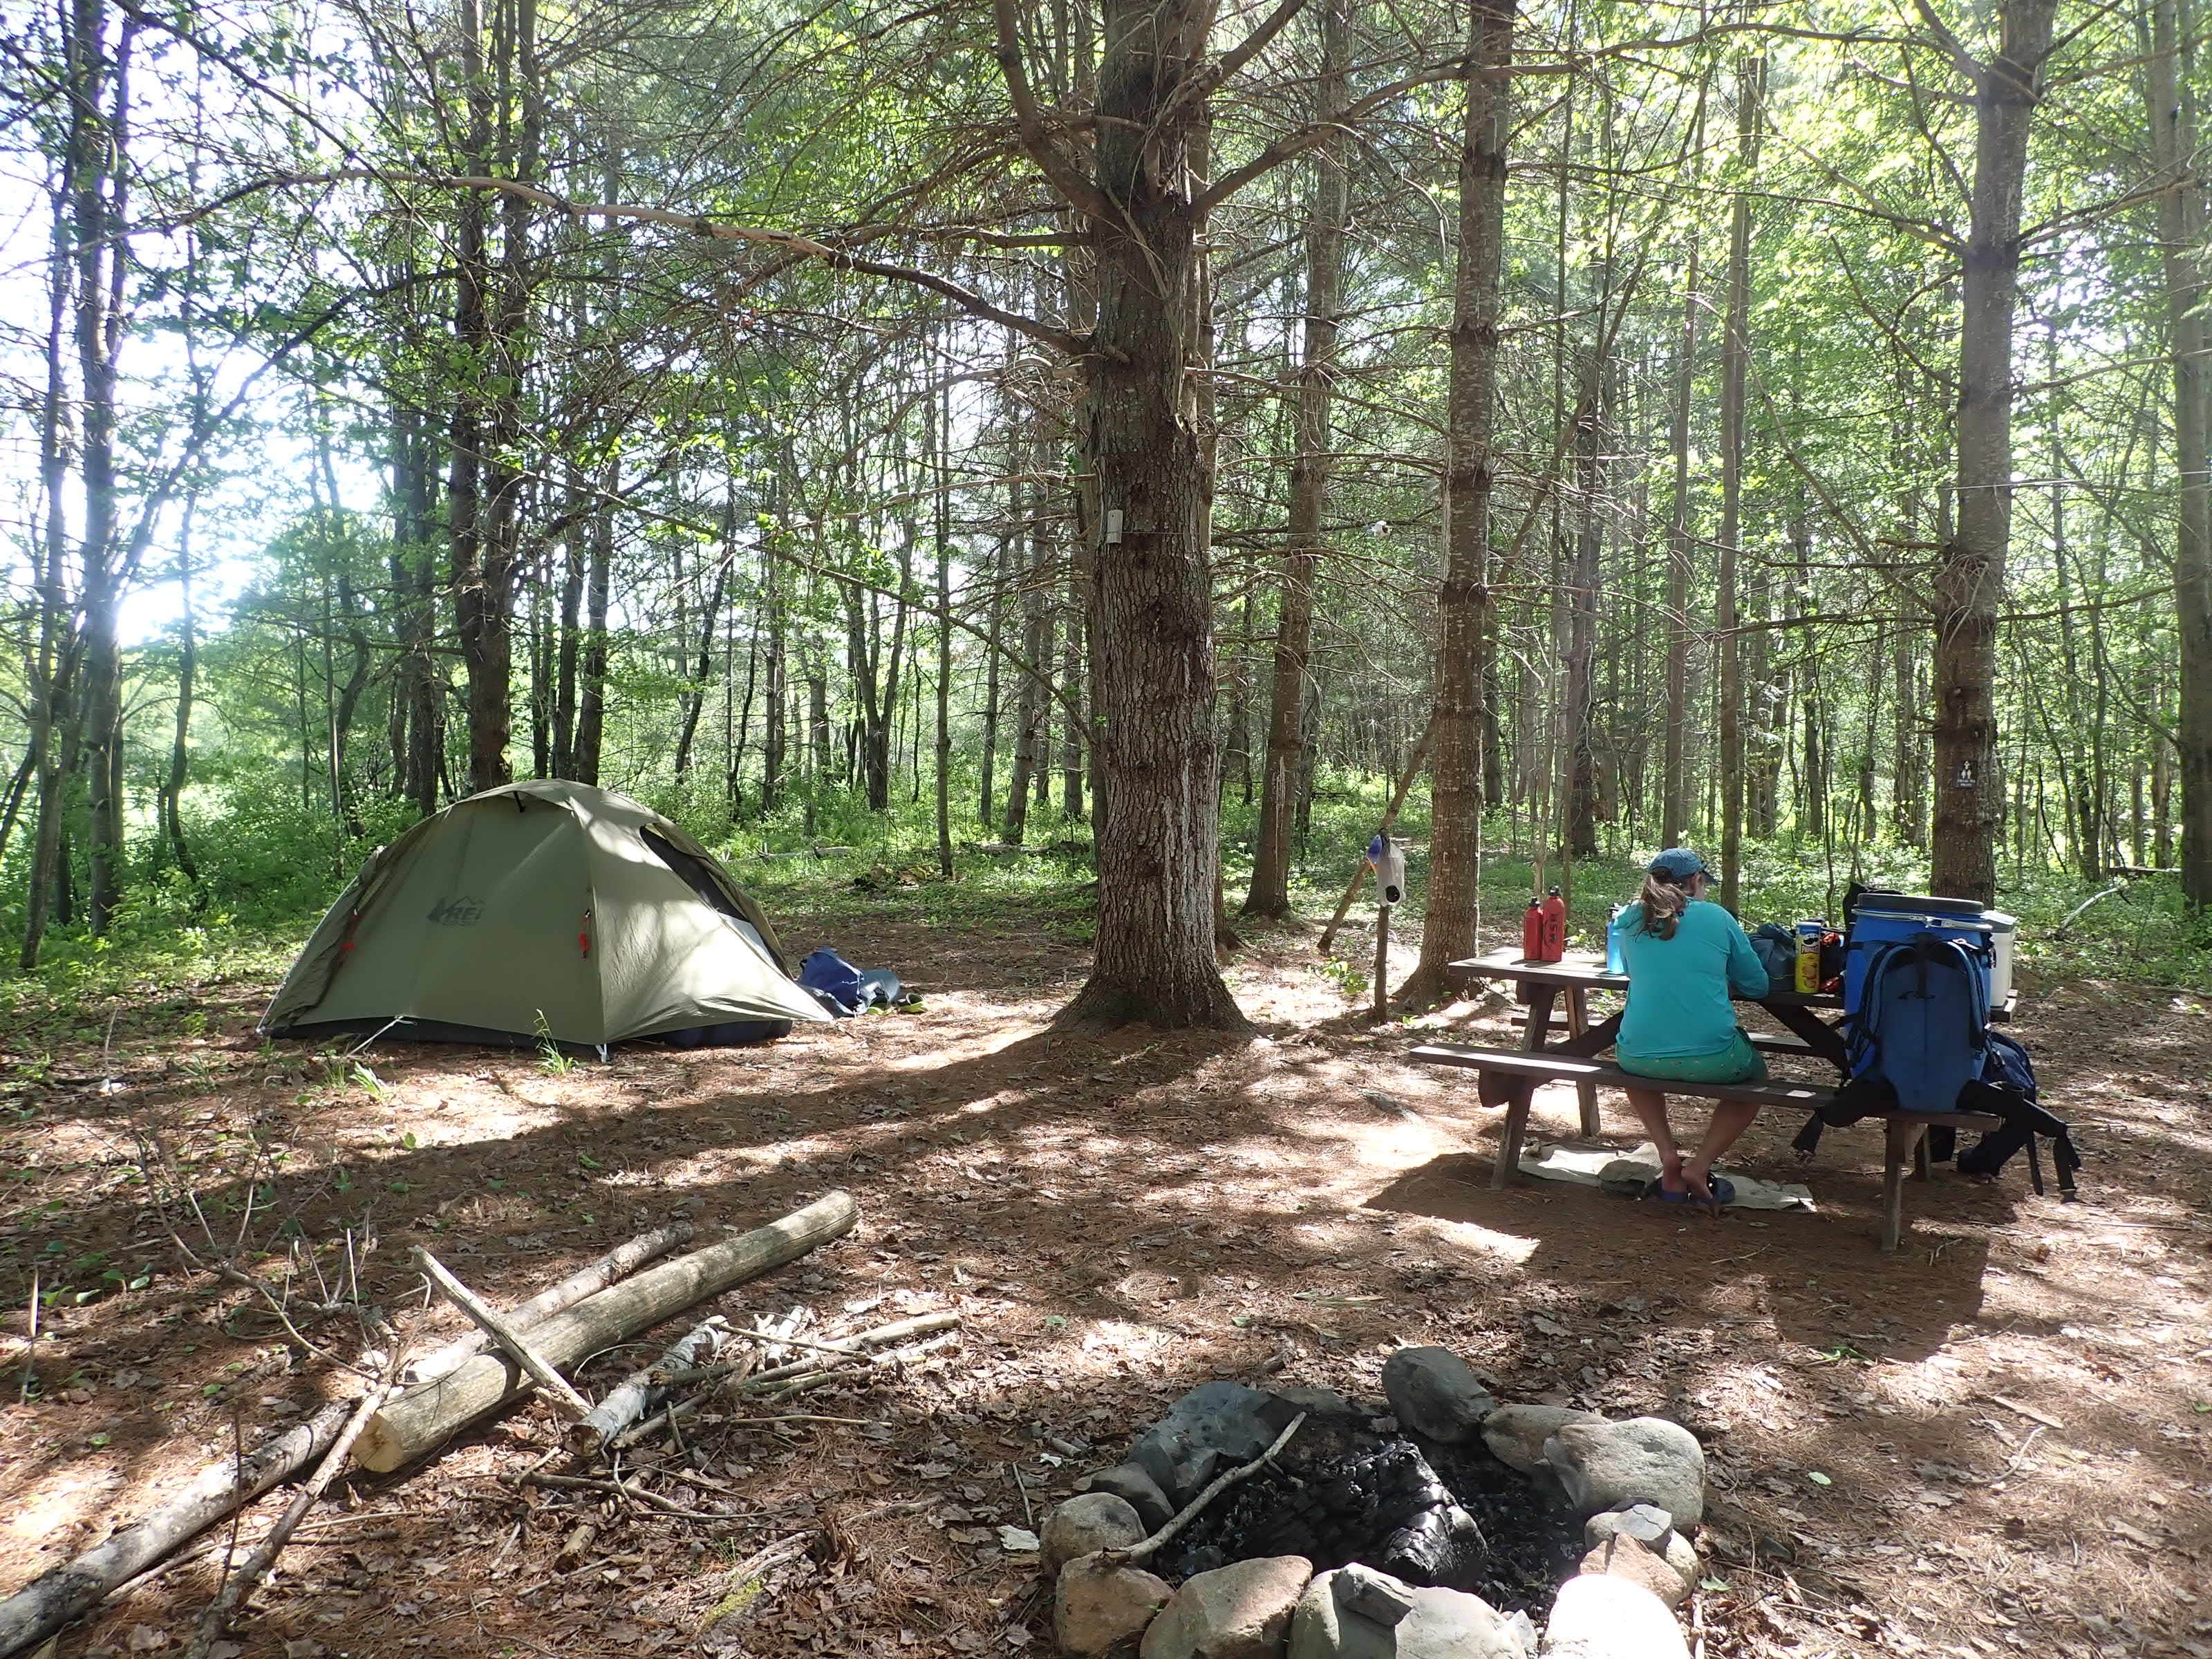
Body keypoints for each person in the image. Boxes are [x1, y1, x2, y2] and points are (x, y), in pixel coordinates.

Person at [1607, 847, 1770, 1205]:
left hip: (1636, 1055)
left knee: (1639, 1067)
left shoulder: (1629, 918)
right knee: (1755, 1079)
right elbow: (1758, 985)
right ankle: (1700, 1165)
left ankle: (1667, 1155)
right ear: (1696, 881)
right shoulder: (1717, 917)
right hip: (1714, 1058)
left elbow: (1636, 970)